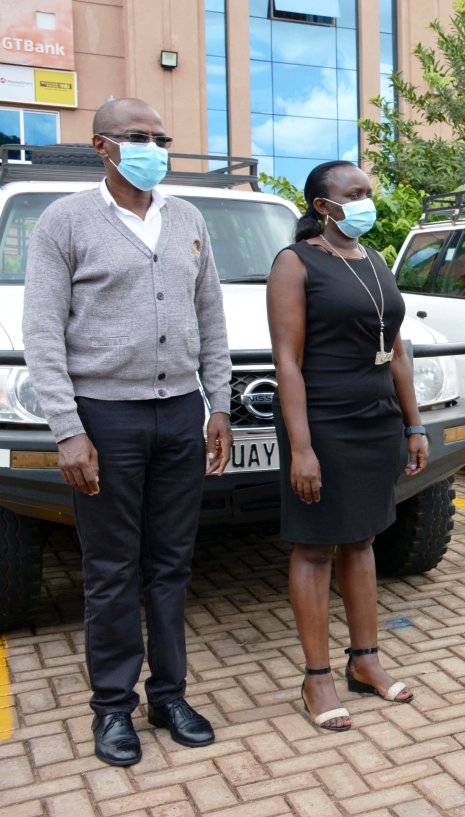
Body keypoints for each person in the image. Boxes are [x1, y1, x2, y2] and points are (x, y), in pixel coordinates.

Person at [22, 98, 231, 766]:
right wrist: (67, 430)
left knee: (171, 565)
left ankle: (168, 694)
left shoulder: (188, 218)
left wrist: (218, 405)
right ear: (101, 145)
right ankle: (113, 707)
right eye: (137, 136)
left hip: (178, 417)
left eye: (160, 137)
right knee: (110, 570)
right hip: (104, 418)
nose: (152, 146)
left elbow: (213, 318)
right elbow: (43, 333)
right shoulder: (66, 221)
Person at [267, 160, 429, 732]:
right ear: (322, 207)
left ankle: (366, 662)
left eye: (368, 191)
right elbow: (286, 360)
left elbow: (398, 351)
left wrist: (413, 424)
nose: (366, 201)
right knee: (315, 547)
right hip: (324, 421)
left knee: (362, 541)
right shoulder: (295, 263)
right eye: (353, 193)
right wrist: (302, 447)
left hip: (376, 419)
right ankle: (316, 677)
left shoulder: (376, 260)